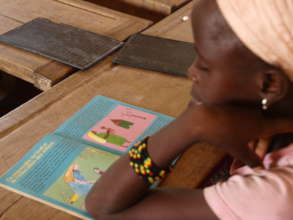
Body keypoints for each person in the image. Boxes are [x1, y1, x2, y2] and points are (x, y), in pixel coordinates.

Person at [85, 0, 293, 219]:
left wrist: (192, 123)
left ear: (269, 85)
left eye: (204, 65)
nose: (190, 71)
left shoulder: (273, 197)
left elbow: (106, 208)